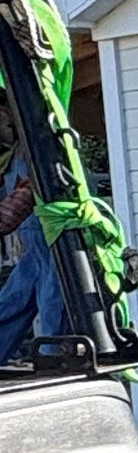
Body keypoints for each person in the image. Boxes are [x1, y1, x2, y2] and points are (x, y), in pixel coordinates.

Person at [0, 112, 62, 362]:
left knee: (52, 302)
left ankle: (53, 359)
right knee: (12, 302)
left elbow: (25, 194)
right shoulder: (13, 154)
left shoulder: (33, 148)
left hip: (50, 236)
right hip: (35, 243)